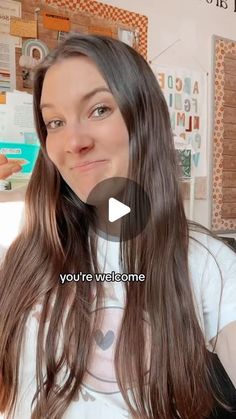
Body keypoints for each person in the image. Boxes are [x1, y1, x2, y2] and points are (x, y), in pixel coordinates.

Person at [0, 34, 235, 419]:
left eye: (98, 110)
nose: (73, 141)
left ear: (142, 117)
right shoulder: (24, 253)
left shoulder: (205, 263)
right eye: (55, 122)